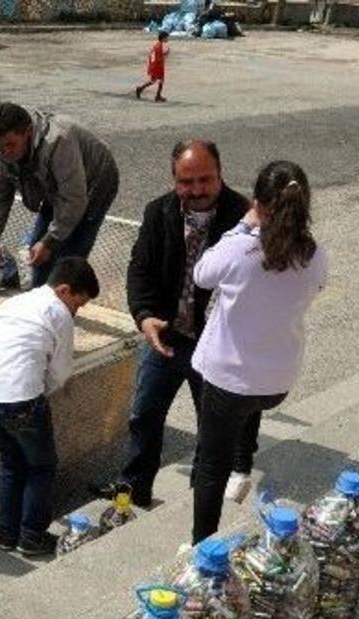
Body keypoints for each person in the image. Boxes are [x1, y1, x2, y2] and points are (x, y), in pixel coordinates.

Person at [94, 139, 250, 507]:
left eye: (205, 180)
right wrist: (144, 317)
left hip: (214, 345)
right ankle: (134, 490)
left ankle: (201, 497)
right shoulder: (159, 212)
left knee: (212, 429)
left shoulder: (242, 218)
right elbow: (140, 269)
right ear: (174, 179)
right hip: (165, 337)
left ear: (220, 174)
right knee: (144, 416)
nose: (196, 190)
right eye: (186, 181)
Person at [190, 161, 328, 542]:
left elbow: (202, 274)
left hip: (230, 378)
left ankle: (202, 547)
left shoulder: (240, 247)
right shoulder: (315, 255)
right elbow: (313, 287)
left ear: (259, 204)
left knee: (209, 465)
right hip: (276, 381)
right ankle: (243, 469)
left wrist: (244, 225)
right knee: (247, 409)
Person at [0, 257, 101, 557]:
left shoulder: (13, 304)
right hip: (23, 399)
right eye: (78, 303)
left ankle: (6, 536)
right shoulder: (59, 313)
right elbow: (60, 372)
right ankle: (31, 537)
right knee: (40, 467)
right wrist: (39, 391)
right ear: (65, 290)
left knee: (10, 464)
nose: (76, 311)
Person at [0, 103, 120, 287]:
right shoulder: (4, 151)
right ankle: (41, 301)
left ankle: (63, 307)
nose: (5, 153)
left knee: (70, 255)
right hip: (54, 184)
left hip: (94, 182)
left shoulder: (59, 141)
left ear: (28, 132)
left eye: (10, 145)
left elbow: (74, 199)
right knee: (38, 250)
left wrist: (50, 241)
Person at [135, 30, 170, 102]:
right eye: (167, 38)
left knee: (158, 80)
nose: (167, 39)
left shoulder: (157, 45)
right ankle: (142, 89)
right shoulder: (159, 46)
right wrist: (166, 54)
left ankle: (157, 95)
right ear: (163, 38)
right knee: (155, 80)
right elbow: (158, 58)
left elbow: (154, 56)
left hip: (156, 66)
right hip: (157, 66)